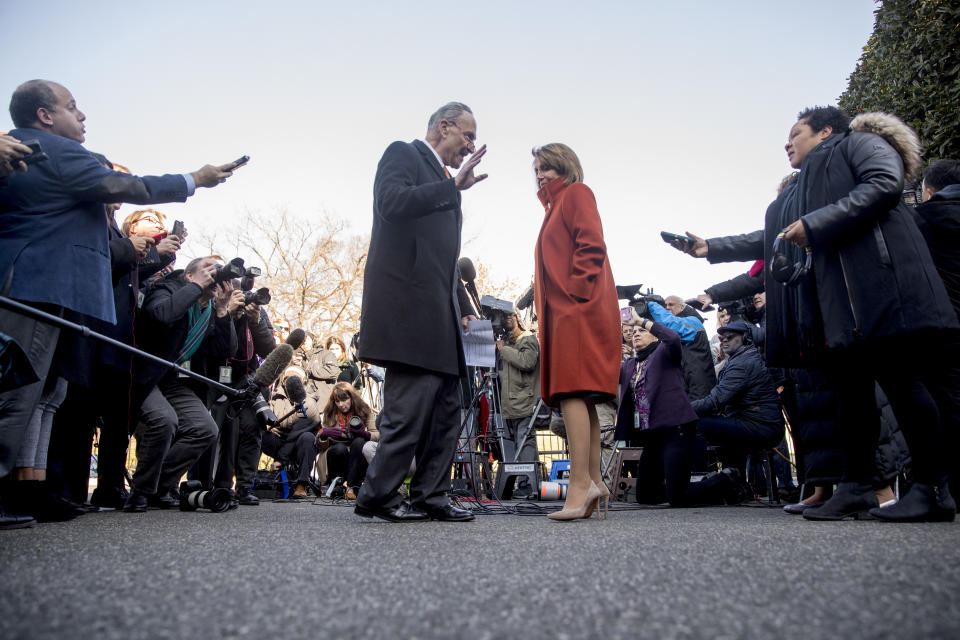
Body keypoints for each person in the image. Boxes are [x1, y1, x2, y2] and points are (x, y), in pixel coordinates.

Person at [672, 107, 958, 522]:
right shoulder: (806, 184)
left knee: (903, 386)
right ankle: (857, 486)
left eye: (796, 133)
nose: (787, 143)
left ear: (825, 131)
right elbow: (773, 236)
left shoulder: (860, 143)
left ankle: (933, 489)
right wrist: (710, 248)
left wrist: (816, 222)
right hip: (843, 303)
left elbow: (885, 183)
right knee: (851, 395)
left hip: (882, 291)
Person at [0, 80, 235, 526]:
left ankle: (25, 490)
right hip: (36, 285)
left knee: (45, 395)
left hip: (51, 291)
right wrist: (195, 179)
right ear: (45, 115)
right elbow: (130, 185)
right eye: (73, 107)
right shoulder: (49, 148)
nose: (83, 115)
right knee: (18, 394)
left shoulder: (27, 152)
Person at [355, 102, 486, 523]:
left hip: (442, 315)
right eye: (467, 135)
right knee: (407, 410)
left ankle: (431, 496)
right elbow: (391, 202)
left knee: (447, 412)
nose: (470, 145)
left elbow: (443, 260)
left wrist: (464, 307)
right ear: (443, 126)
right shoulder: (403, 154)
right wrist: (451, 190)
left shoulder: (447, 180)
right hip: (409, 313)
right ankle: (377, 496)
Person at [532, 142, 620, 521]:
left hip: (577, 310)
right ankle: (594, 481)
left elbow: (592, 245)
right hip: (570, 311)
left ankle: (581, 486)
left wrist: (574, 296)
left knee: (571, 391)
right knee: (581, 397)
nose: (539, 174)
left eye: (545, 167)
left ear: (564, 165)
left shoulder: (576, 194)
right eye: (536, 169)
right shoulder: (556, 205)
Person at [123, 257, 241, 511]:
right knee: (164, 420)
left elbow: (224, 352)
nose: (215, 277)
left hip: (172, 378)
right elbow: (160, 316)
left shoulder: (210, 309)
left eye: (218, 273)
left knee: (205, 429)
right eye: (208, 271)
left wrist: (222, 310)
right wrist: (195, 289)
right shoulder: (169, 288)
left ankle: (158, 485)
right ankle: (142, 491)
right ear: (189, 275)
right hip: (144, 371)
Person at [615, 312, 746, 506]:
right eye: (633, 331)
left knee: (678, 498)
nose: (636, 333)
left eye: (641, 331)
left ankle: (726, 480)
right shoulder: (630, 364)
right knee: (645, 497)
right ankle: (682, 490)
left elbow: (673, 337)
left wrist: (643, 321)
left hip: (676, 430)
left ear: (654, 334)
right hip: (652, 436)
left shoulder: (665, 353)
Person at [690, 320, 784, 475]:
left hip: (761, 427)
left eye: (730, 336)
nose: (724, 340)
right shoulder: (739, 359)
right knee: (720, 425)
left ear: (746, 338)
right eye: (721, 338)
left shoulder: (743, 363)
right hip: (755, 423)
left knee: (696, 424)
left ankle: (698, 477)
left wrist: (681, 410)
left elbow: (715, 401)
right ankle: (735, 482)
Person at [495, 312, 541, 499]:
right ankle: (524, 484)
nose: (505, 322)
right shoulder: (509, 342)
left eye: (508, 317)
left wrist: (503, 350)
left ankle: (528, 485)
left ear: (516, 318)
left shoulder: (527, 338)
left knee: (525, 442)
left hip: (524, 400)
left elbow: (527, 362)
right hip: (511, 402)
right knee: (518, 443)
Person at [316, 382, 378, 499]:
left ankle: (351, 486)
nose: (341, 404)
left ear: (352, 398)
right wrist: (324, 435)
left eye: (344, 400)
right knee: (339, 449)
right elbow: (321, 447)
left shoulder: (364, 410)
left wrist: (364, 434)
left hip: (358, 453)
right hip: (336, 452)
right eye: (337, 401)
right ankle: (337, 484)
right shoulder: (329, 413)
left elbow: (377, 434)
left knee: (359, 442)